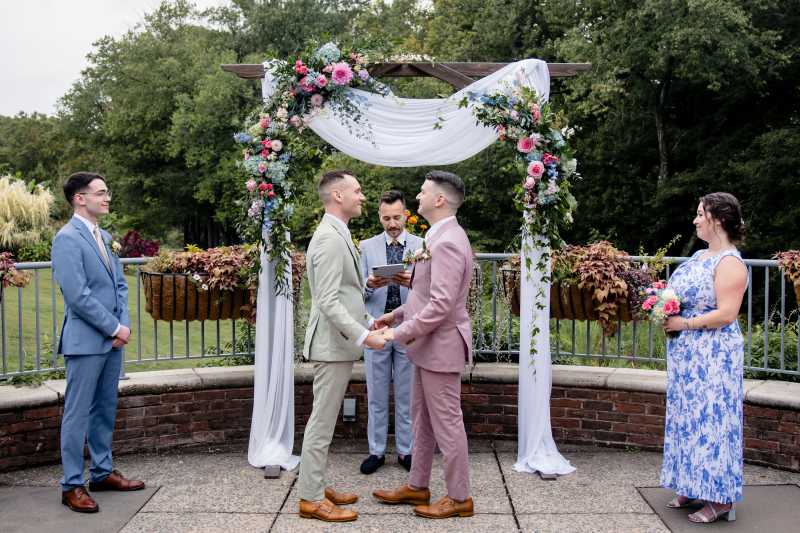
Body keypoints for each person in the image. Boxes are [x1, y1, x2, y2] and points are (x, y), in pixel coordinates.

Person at [372, 170, 474, 520]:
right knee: (422, 420)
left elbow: (442, 305)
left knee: (448, 424)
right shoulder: (436, 235)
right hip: (426, 346)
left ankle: (459, 497)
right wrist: (395, 315)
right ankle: (418, 484)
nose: (418, 196)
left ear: (440, 200)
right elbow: (424, 295)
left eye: (423, 191)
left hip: (442, 346)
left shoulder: (448, 242)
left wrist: (397, 334)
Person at [297, 169, 387, 523]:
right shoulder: (330, 238)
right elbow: (328, 301)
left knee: (325, 421)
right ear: (338, 195)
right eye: (357, 190)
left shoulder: (338, 232)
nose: (362, 196)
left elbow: (347, 294)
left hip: (337, 343)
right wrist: (364, 336)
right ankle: (310, 498)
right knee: (321, 424)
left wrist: (369, 321)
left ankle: (315, 485)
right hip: (331, 346)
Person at [52, 172, 144, 513]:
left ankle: (102, 473)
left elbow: (119, 285)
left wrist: (124, 326)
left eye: (107, 192)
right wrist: (112, 327)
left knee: (105, 409)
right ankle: (72, 485)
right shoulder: (66, 238)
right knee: (77, 415)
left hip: (112, 340)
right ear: (80, 198)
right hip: (85, 342)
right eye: (101, 193)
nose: (107, 198)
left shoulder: (103, 236)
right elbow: (77, 296)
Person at [661, 192, 748, 524]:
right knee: (687, 420)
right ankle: (691, 484)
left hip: (714, 356)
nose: (695, 220)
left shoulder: (730, 263)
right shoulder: (700, 255)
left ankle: (720, 498)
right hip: (688, 357)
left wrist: (683, 323)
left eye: (701, 214)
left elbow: (726, 314)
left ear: (719, 220)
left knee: (712, 421)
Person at [358, 190, 423, 475]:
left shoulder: (422, 245)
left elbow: (431, 291)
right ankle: (376, 451)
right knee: (376, 393)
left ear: (406, 214)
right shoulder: (366, 247)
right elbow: (355, 292)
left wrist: (413, 282)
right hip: (377, 327)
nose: (392, 223)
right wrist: (369, 284)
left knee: (407, 395)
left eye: (397, 217)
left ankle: (406, 451)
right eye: (386, 218)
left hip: (408, 328)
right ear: (379, 217)